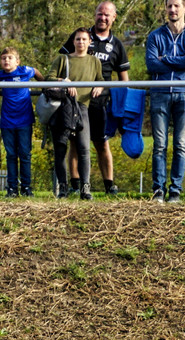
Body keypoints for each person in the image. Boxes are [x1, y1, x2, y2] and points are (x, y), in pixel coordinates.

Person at [59, 2, 131, 196]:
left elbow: (124, 79)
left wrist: (105, 86)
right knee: (74, 143)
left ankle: (109, 185)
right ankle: (76, 185)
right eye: (100, 14)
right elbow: (62, 63)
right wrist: (66, 82)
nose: (103, 18)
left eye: (107, 15)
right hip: (75, 101)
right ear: (95, 15)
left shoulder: (116, 45)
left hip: (100, 103)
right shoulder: (81, 36)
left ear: (114, 18)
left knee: (101, 142)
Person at [145, 0, 185, 203]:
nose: (172, 9)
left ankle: (175, 191)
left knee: (180, 144)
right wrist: (178, 61)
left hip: (184, 93)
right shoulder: (155, 36)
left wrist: (165, 59)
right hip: (160, 93)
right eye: (169, 5)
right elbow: (152, 64)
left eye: (176, 5)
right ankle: (158, 191)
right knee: (159, 144)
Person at [48, 28, 104, 200]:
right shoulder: (63, 59)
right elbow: (48, 78)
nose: (81, 42)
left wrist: (100, 86)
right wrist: (63, 82)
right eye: (78, 39)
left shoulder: (94, 61)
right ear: (73, 41)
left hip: (82, 107)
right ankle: (62, 188)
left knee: (84, 148)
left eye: (84, 39)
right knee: (60, 148)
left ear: (89, 42)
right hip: (63, 107)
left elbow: (100, 79)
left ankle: (85, 188)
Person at [0, 47, 43, 197]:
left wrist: (44, 85)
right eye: (4, 58)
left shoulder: (24, 71)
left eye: (10, 58)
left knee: (25, 154)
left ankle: (26, 187)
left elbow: (35, 71)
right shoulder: (1, 75)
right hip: (7, 121)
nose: (6, 61)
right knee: (10, 155)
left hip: (24, 120)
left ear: (17, 61)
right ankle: (12, 188)